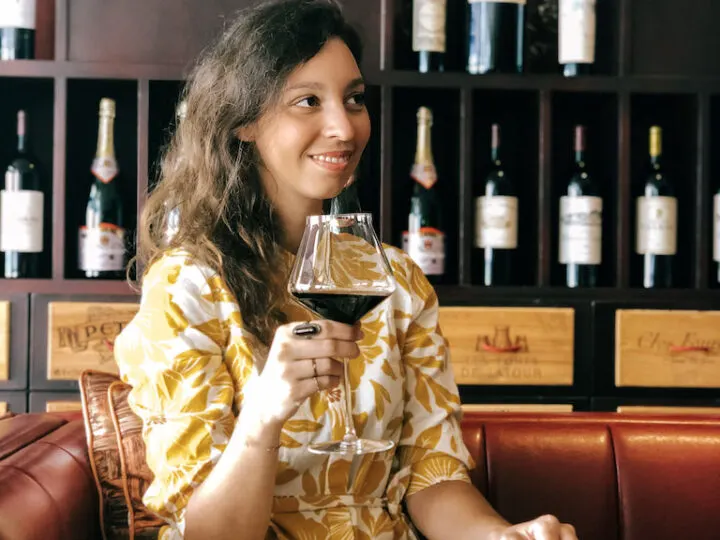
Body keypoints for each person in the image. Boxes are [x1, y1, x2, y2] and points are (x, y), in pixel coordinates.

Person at [114, 0, 578, 539]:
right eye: (308, 101)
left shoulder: (399, 282)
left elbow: (432, 476)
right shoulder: (187, 286)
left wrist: (500, 537)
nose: (343, 126)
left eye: (354, 99)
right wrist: (263, 417)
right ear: (244, 121)